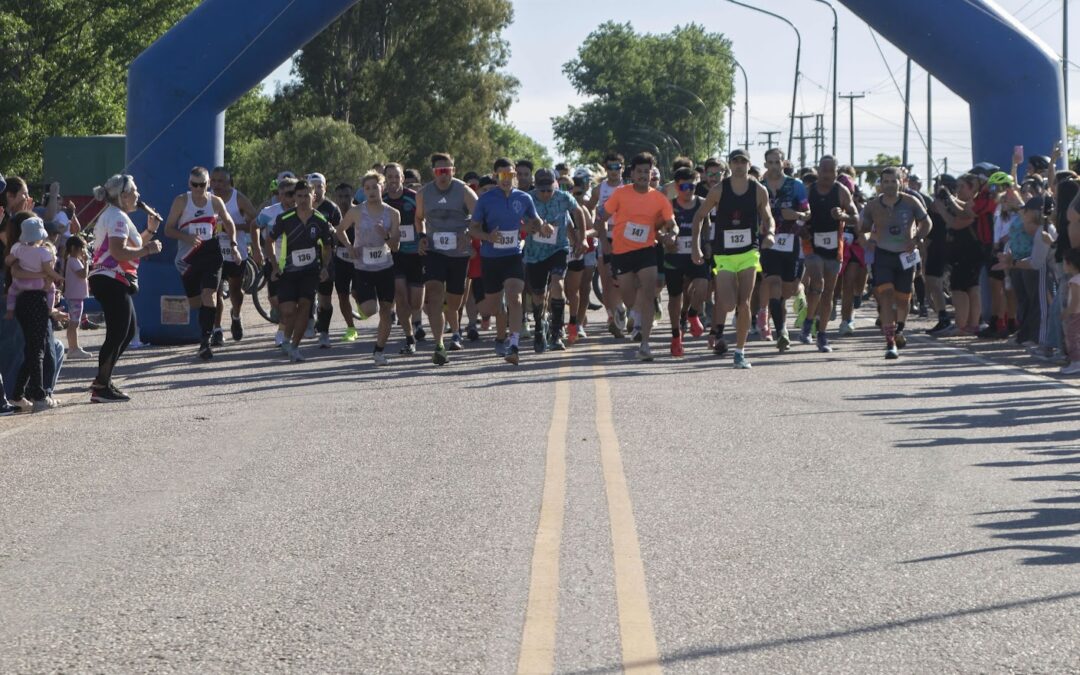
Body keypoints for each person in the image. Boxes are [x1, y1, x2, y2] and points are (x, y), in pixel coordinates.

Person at [692, 149, 776, 368]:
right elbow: (699, 216)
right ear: (730, 165)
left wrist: (770, 234)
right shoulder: (719, 190)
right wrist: (695, 247)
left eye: (743, 162)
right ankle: (721, 328)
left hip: (749, 252)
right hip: (724, 254)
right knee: (728, 303)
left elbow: (768, 216)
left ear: (749, 165)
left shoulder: (758, 190)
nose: (739, 165)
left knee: (744, 301)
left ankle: (740, 351)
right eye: (735, 162)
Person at [87, 174, 163, 402]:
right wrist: (148, 250)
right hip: (110, 279)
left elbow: (129, 246)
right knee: (118, 331)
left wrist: (149, 232)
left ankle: (104, 380)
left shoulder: (117, 216)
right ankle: (101, 385)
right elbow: (119, 252)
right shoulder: (117, 217)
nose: (138, 196)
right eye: (135, 191)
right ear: (124, 196)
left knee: (127, 331)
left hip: (112, 279)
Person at [596, 152, 677, 362]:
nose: (643, 175)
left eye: (647, 171)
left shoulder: (659, 198)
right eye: (639, 171)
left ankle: (645, 344)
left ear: (651, 174)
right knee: (629, 297)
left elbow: (670, 222)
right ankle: (633, 313)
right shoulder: (621, 193)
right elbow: (601, 218)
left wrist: (672, 234)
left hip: (646, 250)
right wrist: (605, 242)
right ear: (632, 173)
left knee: (648, 293)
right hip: (621, 252)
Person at [162, 166, 240, 360]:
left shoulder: (215, 202)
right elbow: (168, 230)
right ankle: (206, 329)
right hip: (188, 256)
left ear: (208, 184)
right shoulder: (181, 201)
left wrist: (234, 245)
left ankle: (205, 342)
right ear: (190, 184)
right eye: (195, 185)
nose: (198, 189)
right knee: (196, 302)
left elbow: (229, 222)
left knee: (209, 296)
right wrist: (186, 237)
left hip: (211, 253)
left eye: (202, 185)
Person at [470, 157, 542, 364]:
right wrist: (487, 237)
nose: (507, 179)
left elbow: (534, 220)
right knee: (491, 308)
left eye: (510, 175)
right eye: (502, 175)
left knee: (515, 296)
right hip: (490, 258)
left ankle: (514, 345)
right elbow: (473, 228)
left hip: (512, 256)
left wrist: (535, 226)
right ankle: (499, 332)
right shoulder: (485, 199)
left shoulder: (524, 198)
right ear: (495, 176)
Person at [862, 167, 932, 359]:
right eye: (886, 182)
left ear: (901, 182)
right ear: (881, 184)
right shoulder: (873, 205)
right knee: (885, 296)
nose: (890, 185)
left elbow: (927, 223)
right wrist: (868, 241)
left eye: (894, 181)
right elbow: (863, 227)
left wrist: (917, 238)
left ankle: (900, 330)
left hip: (905, 255)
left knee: (903, 299)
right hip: (883, 256)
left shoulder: (911, 201)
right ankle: (890, 342)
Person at [416, 152, 478, 364]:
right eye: (438, 171)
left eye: (447, 170)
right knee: (433, 294)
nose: (443, 175)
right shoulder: (424, 193)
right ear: (433, 172)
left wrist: (468, 234)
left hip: (458, 253)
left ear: (454, 170)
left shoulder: (463, 191)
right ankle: (439, 345)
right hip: (434, 251)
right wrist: (422, 236)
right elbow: (419, 218)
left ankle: (455, 327)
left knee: (453, 302)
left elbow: (479, 216)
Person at [336, 171, 401, 365]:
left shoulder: (393, 214)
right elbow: (340, 230)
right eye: (367, 188)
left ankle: (379, 350)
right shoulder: (357, 211)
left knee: (386, 310)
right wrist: (349, 247)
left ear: (382, 188)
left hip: (385, 266)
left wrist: (386, 235)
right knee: (370, 309)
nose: (371, 191)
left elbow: (396, 246)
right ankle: (360, 300)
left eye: (375, 187)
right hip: (363, 266)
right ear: (363, 191)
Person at [266, 179, 334, 362]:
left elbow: (327, 246)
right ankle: (287, 339)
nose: (303, 199)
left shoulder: (320, 220)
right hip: (288, 272)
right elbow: (269, 241)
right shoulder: (285, 219)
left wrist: (325, 267)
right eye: (299, 196)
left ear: (314, 196)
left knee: (305, 305)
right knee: (288, 311)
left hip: (310, 272)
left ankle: (295, 347)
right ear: (294, 197)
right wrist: (273, 266)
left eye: (307, 196)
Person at [5, 215, 64, 411]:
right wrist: (53, 276)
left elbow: (13, 267)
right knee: (37, 349)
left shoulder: (17, 249)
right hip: (37, 301)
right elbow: (49, 273)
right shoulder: (42, 253)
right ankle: (39, 395)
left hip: (21, 301)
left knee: (32, 349)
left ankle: (18, 393)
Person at [800, 155, 857, 353]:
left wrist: (843, 216)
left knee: (829, 293)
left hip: (834, 247)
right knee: (817, 281)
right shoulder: (809, 191)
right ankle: (808, 322)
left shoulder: (841, 191)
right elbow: (799, 216)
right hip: (812, 245)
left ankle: (821, 333)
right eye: (823, 170)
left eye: (831, 170)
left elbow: (855, 217)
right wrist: (801, 227)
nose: (826, 174)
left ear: (836, 171)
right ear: (818, 170)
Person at [526, 167, 585, 352]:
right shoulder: (527, 198)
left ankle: (556, 333)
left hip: (558, 249)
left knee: (558, 284)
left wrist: (581, 238)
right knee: (538, 294)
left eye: (549, 190)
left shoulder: (563, 197)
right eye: (541, 190)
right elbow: (520, 222)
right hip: (534, 253)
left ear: (555, 185)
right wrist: (535, 226)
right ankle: (538, 326)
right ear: (536, 187)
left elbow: (578, 213)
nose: (545, 194)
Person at [759, 148, 809, 352]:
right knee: (773, 283)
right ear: (765, 165)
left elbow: (807, 213)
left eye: (777, 162)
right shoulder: (759, 187)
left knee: (787, 290)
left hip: (791, 241)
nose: (774, 167)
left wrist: (796, 214)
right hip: (768, 242)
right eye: (770, 163)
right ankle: (782, 332)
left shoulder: (795, 185)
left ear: (783, 162)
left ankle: (798, 296)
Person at [209, 166, 260, 343]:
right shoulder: (207, 198)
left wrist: (232, 227)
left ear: (229, 181)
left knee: (235, 291)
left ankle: (236, 316)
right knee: (214, 290)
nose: (217, 185)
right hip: (214, 251)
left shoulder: (238, 198)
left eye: (221, 181)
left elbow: (255, 222)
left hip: (235, 251)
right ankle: (216, 330)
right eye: (213, 181)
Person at [663, 167, 710, 356]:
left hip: (695, 254)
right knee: (675, 297)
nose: (688, 190)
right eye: (683, 187)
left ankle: (692, 314)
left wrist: (706, 244)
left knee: (703, 285)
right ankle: (676, 336)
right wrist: (665, 239)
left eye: (692, 186)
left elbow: (707, 225)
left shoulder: (703, 203)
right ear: (676, 186)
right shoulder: (669, 205)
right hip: (674, 256)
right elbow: (658, 228)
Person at [587, 151, 627, 337]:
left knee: (623, 279)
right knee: (606, 280)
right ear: (606, 169)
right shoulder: (599, 189)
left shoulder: (629, 187)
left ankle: (622, 309)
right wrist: (591, 229)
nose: (613, 171)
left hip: (625, 237)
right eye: (610, 167)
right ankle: (612, 316)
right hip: (605, 236)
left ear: (622, 168)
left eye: (616, 167)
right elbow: (588, 209)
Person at [384, 163, 423, 354]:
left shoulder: (413, 198)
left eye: (396, 176)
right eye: (389, 177)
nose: (393, 180)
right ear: (385, 180)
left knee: (416, 302)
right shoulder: (381, 201)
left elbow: (425, 219)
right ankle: (410, 338)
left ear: (402, 178)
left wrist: (424, 239)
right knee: (400, 296)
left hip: (415, 254)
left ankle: (416, 322)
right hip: (393, 255)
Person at [255, 178, 298, 347]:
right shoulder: (269, 212)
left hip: (295, 264)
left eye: (292, 194)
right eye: (285, 194)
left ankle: (282, 332)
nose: (290, 198)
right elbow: (253, 226)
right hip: (273, 262)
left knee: (290, 302)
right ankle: (286, 323)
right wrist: (257, 250)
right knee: (275, 301)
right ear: (279, 196)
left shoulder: (303, 212)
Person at [307, 173, 343, 349]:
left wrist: (332, 231)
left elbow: (340, 235)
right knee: (305, 295)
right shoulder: (302, 207)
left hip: (326, 258)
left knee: (325, 300)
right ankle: (309, 321)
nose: (317, 189)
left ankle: (324, 333)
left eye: (320, 185)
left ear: (325, 187)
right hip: (305, 259)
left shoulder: (332, 208)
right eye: (313, 186)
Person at [565, 168, 597, 344]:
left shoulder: (583, 207)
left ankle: (578, 324)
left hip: (587, 250)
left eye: (579, 193)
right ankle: (570, 319)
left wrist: (582, 236)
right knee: (568, 289)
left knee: (584, 287)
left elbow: (597, 230)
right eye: (573, 192)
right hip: (567, 251)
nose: (576, 196)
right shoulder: (561, 205)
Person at [63, 234, 92, 359]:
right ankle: (73, 348)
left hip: (75, 296)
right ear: (74, 248)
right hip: (75, 296)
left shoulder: (73, 260)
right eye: (82, 248)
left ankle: (74, 347)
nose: (83, 251)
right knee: (74, 323)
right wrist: (86, 262)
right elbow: (83, 275)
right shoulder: (73, 260)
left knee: (74, 323)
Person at [1060, 248, 1080, 375]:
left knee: (1072, 337)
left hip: (1076, 314)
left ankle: (1076, 362)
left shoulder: (1074, 281)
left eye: (1063, 262)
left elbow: (1075, 301)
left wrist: (1067, 312)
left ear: (1070, 264)